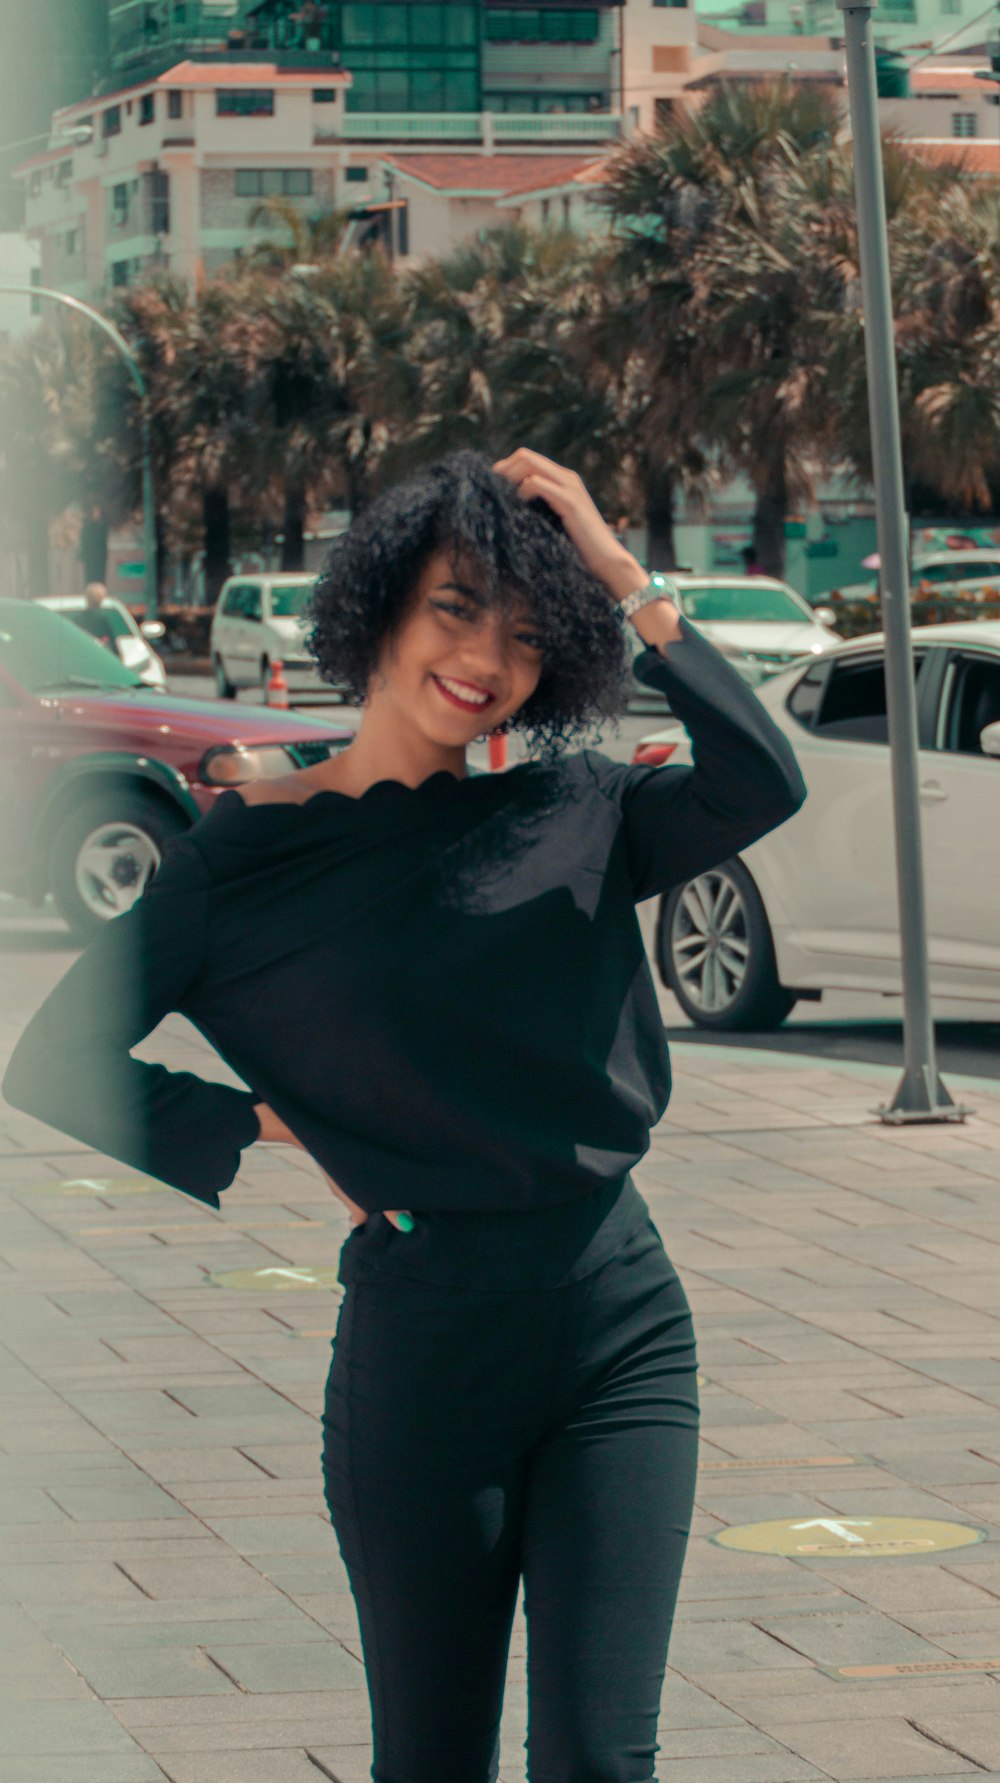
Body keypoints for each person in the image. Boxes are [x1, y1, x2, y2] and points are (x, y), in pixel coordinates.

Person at [2, 447, 807, 1782]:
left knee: (604, 1763)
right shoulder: (244, 853)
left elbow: (760, 779)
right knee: (432, 1760)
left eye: (533, 632)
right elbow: (55, 1056)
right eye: (457, 605)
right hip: (427, 1351)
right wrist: (277, 1125)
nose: (490, 654)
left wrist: (623, 573)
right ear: (378, 607)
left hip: (622, 1316)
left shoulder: (580, 805)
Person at [74, 581, 117, 650]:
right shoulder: (104, 619)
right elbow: (112, 644)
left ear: (87, 598)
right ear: (101, 599)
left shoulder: (78, 619)